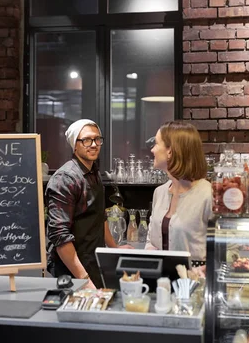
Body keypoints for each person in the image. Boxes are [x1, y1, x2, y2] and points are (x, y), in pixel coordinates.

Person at [46, 119, 130, 288]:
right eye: (86, 140)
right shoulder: (65, 179)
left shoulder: (93, 173)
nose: (93, 144)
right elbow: (60, 236)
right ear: (75, 145)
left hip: (92, 260)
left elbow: (100, 216)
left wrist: (114, 248)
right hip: (72, 268)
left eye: (97, 139)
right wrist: (84, 281)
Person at [145, 121, 212, 264]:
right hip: (162, 283)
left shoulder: (208, 194)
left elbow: (228, 249)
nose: (152, 150)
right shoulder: (159, 192)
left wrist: (205, 270)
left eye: (156, 144)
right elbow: (151, 240)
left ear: (170, 151)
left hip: (197, 283)